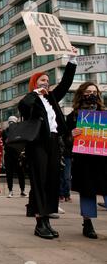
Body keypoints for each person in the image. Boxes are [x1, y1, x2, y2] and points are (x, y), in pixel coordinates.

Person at [18, 46, 78, 240]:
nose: (46, 83)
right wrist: (36, 94)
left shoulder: (52, 99)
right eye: (42, 80)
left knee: (52, 180)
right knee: (39, 181)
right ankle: (39, 222)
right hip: (37, 143)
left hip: (53, 142)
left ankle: (47, 220)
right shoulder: (32, 99)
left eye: (47, 81)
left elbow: (66, 83)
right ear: (35, 83)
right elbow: (23, 106)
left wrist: (71, 59)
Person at [66, 82, 107, 239]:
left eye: (94, 91)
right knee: (87, 192)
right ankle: (87, 223)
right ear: (81, 93)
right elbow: (65, 140)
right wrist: (72, 134)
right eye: (88, 91)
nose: (91, 94)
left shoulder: (104, 112)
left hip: (103, 160)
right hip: (84, 161)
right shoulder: (74, 116)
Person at [2, 115, 27, 198]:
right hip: (12, 154)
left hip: (16, 154)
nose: (11, 124)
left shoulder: (17, 131)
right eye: (11, 122)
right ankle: (13, 190)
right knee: (13, 173)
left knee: (18, 173)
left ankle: (19, 190)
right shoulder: (6, 132)